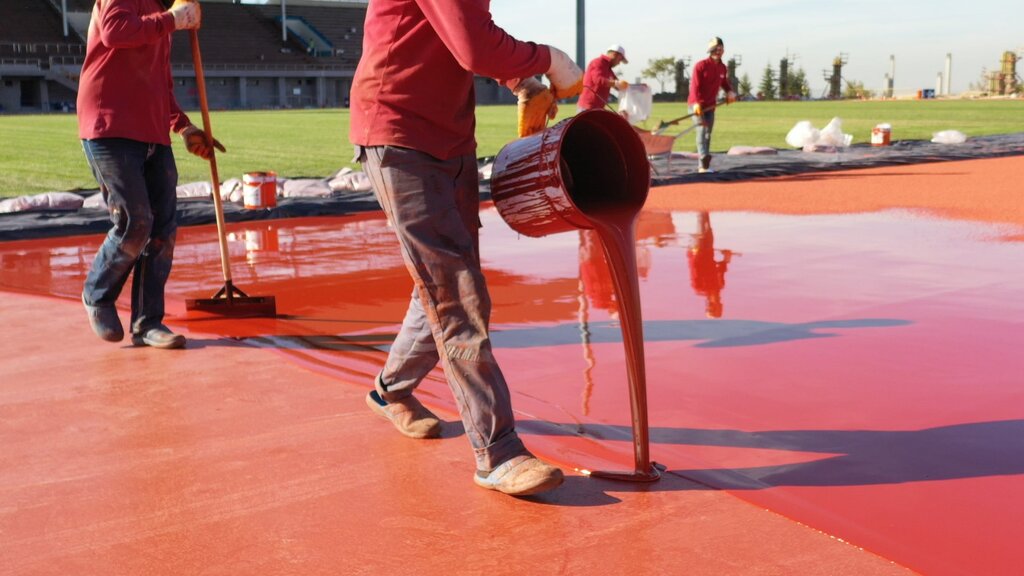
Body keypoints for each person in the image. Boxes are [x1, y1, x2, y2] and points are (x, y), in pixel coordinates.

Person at [349, 0, 583, 496]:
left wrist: (520, 80)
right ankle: (497, 452)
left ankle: (389, 391)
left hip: (449, 139)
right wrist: (547, 59)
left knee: (438, 284)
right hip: (401, 135)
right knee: (457, 292)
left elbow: (465, 29)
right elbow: (473, 46)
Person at [78, 0, 223, 349]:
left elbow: (159, 81)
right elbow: (114, 32)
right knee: (135, 222)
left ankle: (148, 323)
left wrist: (184, 128)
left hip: (153, 132)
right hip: (109, 127)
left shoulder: (161, 15)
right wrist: (172, 19)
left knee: (162, 230)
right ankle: (97, 294)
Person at [688, 37, 737, 173]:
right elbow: (695, 87)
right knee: (701, 131)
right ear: (710, 51)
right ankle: (703, 160)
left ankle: (704, 165)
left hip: (711, 107)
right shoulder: (700, 66)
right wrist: (696, 103)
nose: (718, 51)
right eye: (715, 49)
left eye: (720, 49)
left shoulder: (722, 68)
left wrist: (730, 92)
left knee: (708, 134)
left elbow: (724, 83)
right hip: (696, 106)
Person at [687, 212, 732, 318]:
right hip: (708, 250)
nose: (711, 304)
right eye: (714, 306)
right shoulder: (720, 286)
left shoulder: (699, 288)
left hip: (697, 250)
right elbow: (721, 268)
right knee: (706, 220)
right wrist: (727, 257)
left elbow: (693, 266)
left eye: (709, 307)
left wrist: (695, 251)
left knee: (701, 220)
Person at [577, 44, 630, 112]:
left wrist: (635, 88)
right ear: (614, 54)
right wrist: (616, 83)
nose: (619, 63)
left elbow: (619, 86)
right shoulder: (598, 62)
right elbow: (598, 80)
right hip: (588, 107)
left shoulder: (608, 68)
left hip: (597, 107)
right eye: (620, 59)